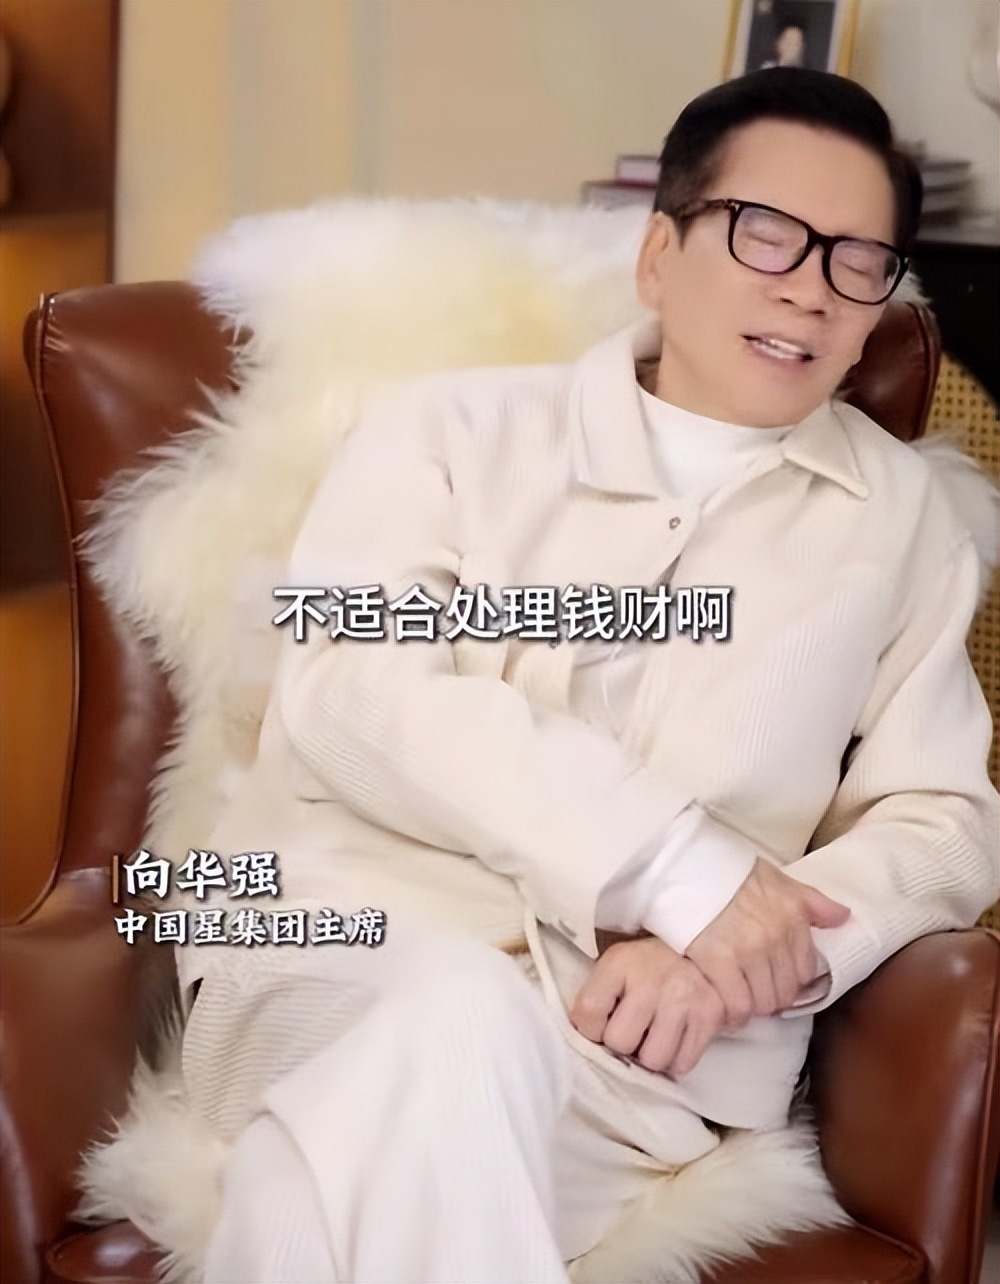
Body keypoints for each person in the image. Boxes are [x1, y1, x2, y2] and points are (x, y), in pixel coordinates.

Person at [181, 68, 998, 1282]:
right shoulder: (441, 432)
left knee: (309, 1191)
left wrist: (740, 958)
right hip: (336, 964)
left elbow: (943, 822)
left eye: (858, 260)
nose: (810, 288)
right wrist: (679, 869)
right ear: (659, 255)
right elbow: (353, 690)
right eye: (765, 233)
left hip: (640, 1058)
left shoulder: (902, 522)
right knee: (456, 1020)